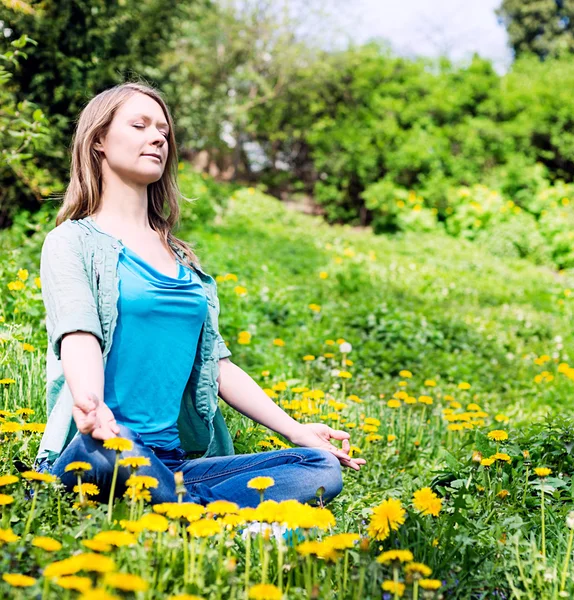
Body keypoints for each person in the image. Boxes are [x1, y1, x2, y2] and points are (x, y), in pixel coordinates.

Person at [34, 81, 366, 509]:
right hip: (97, 449)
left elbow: (217, 366)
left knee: (318, 466)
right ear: (98, 140)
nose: (157, 137)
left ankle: (181, 506)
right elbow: (79, 335)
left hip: (170, 463)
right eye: (139, 125)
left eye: (163, 131)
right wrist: (91, 404)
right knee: (121, 453)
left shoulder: (181, 259)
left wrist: (297, 430)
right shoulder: (72, 241)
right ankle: (212, 514)